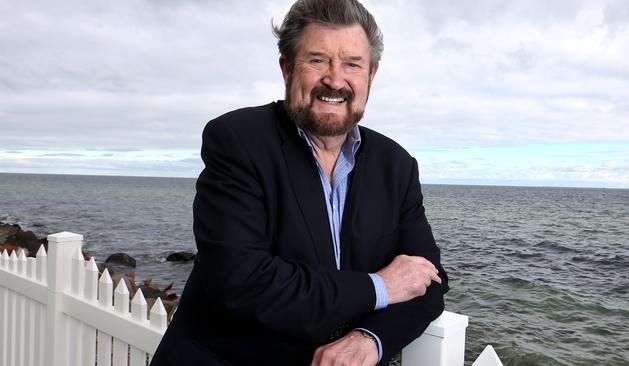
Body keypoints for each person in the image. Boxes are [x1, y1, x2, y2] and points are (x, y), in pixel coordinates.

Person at [150, 0, 449, 365]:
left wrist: (371, 339)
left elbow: (428, 283)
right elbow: (242, 282)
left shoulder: (397, 165)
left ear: (370, 75)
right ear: (287, 68)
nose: (335, 80)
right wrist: (382, 287)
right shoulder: (237, 141)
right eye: (318, 60)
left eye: (352, 64)